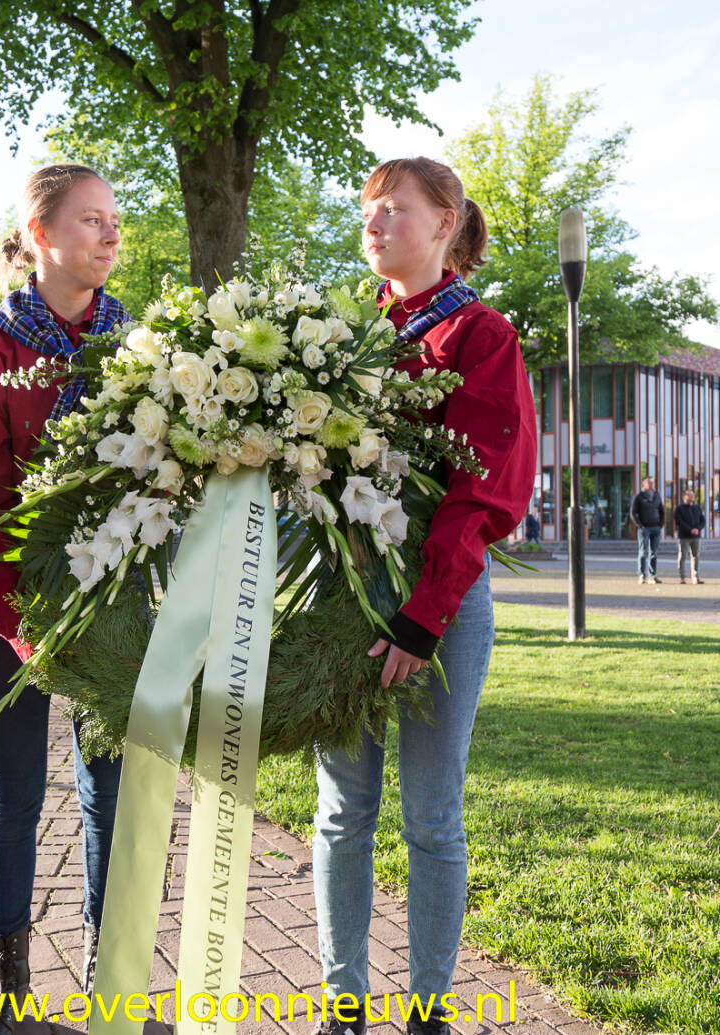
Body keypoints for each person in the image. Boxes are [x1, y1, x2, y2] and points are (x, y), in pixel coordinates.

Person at [312, 158, 537, 1035]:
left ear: (445, 224)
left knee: (430, 813)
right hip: (341, 602)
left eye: (394, 210)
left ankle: (430, 1007)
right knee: (341, 811)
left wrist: (422, 614)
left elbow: (486, 491)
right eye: (367, 210)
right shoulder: (337, 338)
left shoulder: (480, 336)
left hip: (437, 605)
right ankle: (341, 1001)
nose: (373, 224)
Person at [0, 164, 130, 1034]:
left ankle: (110, 996)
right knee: (12, 796)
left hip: (118, 615)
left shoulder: (138, 345)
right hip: (13, 617)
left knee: (113, 798)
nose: (110, 234)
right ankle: (8, 999)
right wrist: (26, 630)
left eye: (114, 220)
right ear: (41, 233)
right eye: (92, 220)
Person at [630, 476, 664, 585]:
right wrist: (640, 525)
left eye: (652, 482)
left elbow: (662, 510)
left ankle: (652, 575)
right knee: (642, 552)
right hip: (644, 528)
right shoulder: (639, 496)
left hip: (656, 528)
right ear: (644, 484)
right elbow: (633, 513)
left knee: (653, 552)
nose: (651, 484)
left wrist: (661, 524)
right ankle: (641, 575)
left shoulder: (657, 495)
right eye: (649, 483)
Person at [674, 488, 705, 584]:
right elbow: (679, 521)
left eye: (693, 495)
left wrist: (698, 529)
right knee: (682, 556)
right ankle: (682, 577)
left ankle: (695, 576)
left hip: (696, 536)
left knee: (696, 556)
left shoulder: (697, 507)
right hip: (684, 536)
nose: (692, 497)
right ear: (684, 497)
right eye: (689, 495)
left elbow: (702, 520)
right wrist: (690, 530)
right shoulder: (679, 508)